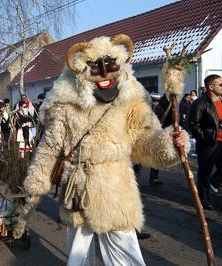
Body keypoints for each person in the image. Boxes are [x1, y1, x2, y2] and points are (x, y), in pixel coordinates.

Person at [14, 35, 189, 265]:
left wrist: (170, 144)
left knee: (126, 256)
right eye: (96, 68)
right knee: (78, 257)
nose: (105, 74)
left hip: (116, 192)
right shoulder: (66, 103)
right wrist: (32, 195)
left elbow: (144, 142)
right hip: (78, 192)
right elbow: (49, 151)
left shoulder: (131, 99)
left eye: (111, 66)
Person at [189, 74, 222, 210]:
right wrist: (205, 138)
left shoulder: (221, 100)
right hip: (209, 143)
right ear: (211, 87)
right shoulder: (200, 103)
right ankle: (204, 199)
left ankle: (215, 181)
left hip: (221, 142)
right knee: (205, 172)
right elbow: (193, 124)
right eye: (220, 84)